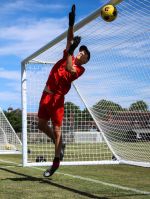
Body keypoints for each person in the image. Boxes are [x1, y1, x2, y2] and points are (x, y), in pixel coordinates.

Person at [38, 4, 90, 177]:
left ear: (85, 61)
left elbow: (69, 68)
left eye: (85, 55)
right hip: (46, 95)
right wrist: (71, 23)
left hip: (58, 100)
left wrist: (72, 49)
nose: (82, 54)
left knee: (58, 130)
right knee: (41, 125)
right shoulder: (69, 53)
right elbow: (70, 39)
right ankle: (59, 143)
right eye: (81, 52)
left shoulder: (79, 70)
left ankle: (55, 163)